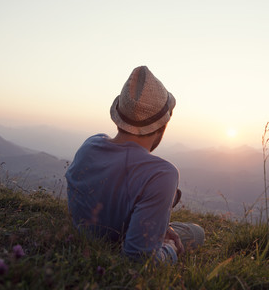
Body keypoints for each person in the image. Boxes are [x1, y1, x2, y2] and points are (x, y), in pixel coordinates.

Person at [66, 66, 204, 264]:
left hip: (87, 232)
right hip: (120, 240)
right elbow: (139, 260)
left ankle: (157, 221)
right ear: (163, 125)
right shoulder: (161, 173)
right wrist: (170, 249)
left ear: (118, 118)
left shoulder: (90, 144)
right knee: (195, 232)